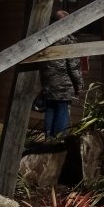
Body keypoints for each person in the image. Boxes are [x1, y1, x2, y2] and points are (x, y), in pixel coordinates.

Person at [38, 9, 82, 138]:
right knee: (62, 112)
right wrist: (79, 86)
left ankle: (48, 139)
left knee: (50, 110)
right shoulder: (68, 40)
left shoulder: (44, 39)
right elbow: (74, 66)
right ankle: (59, 140)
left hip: (48, 83)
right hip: (64, 84)